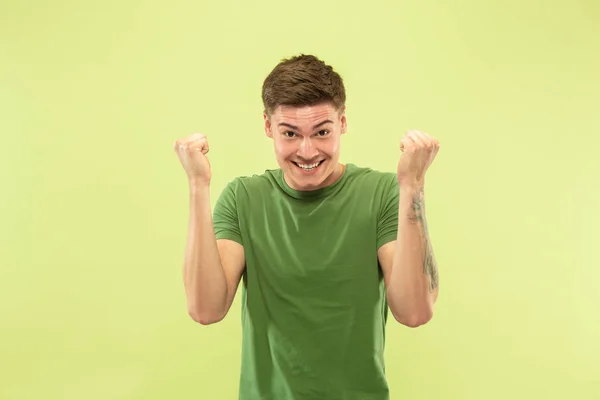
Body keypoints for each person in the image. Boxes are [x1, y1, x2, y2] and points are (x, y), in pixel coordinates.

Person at [173, 54, 440, 400]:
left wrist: (413, 185)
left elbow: (415, 311)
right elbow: (205, 309)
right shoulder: (243, 198)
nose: (307, 150)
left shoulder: (383, 194)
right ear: (269, 127)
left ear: (343, 123)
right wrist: (198, 185)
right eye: (290, 133)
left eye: (322, 132)